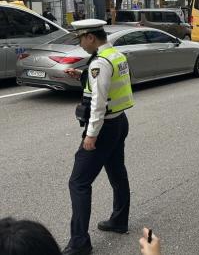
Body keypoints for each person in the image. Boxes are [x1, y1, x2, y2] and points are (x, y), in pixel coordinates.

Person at [62, 19, 135, 255]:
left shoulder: (100, 63)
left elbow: (99, 103)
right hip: (120, 122)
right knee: (117, 172)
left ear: (91, 37)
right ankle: (119, 221)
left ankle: (79, 243)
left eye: (81, 39)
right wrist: (82, 77)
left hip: (103, 128)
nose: (81, 44)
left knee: (79, 182)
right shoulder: (115, 55)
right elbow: (107, 84)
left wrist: (91, 135)